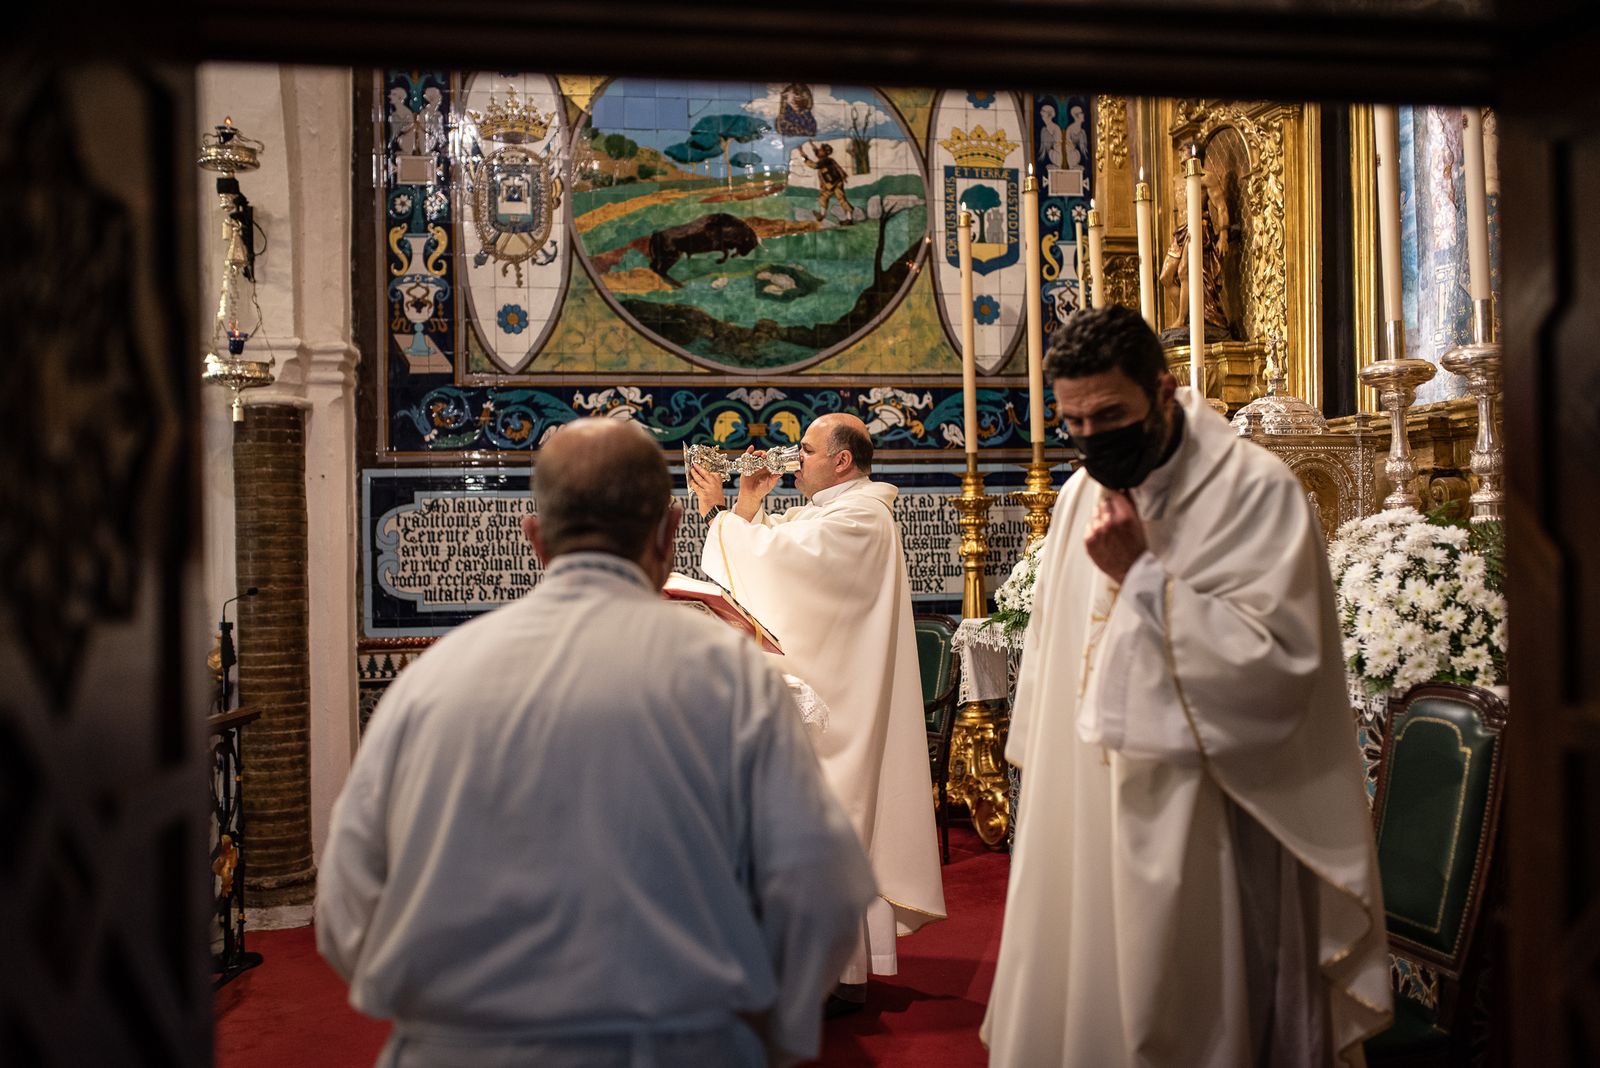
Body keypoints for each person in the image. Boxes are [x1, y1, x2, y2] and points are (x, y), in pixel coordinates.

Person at [317, 418, 876, 1068]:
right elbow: (825, 889)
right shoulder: (734, 681)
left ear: (534, 537)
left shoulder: (430, 682)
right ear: (669, 533)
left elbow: (346, 908)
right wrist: (753, 1027)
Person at [982, 307, 1391, 1066]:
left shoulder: (1254, 493)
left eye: (1111, 415)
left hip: (1216, 813)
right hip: (1093, 798)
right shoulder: (1079, 496)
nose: (1094, 438)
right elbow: (1055, 656)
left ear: (1163, 391)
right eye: (1075, 423)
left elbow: (1279, 670)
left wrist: (1143, 578)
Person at [687, 413, 946, 1015]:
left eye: (804, 449)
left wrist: (717, 513)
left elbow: (783, 565)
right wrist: (745, 506)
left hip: (841, 710)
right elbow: (776, 550)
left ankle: (835, 976)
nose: (791, 457)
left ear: (842, 460)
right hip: (831, 697)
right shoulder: (832, 512)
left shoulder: (862, 517)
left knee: (831, 824)